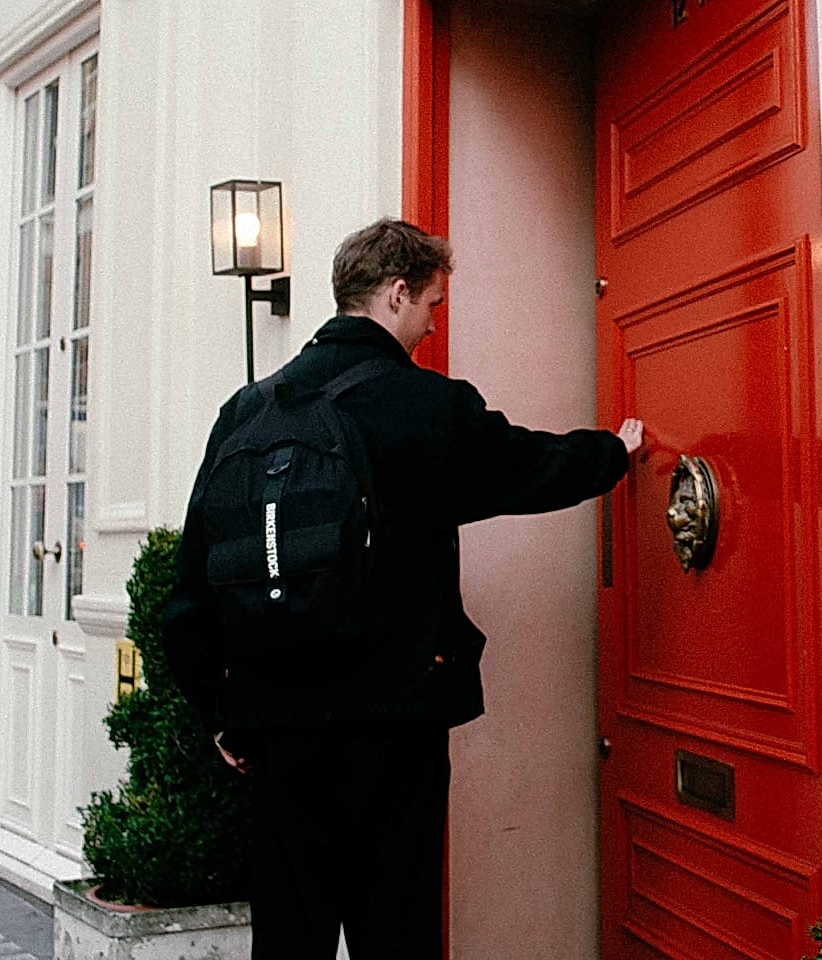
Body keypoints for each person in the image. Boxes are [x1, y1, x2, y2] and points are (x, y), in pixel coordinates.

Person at [161, 217, 643, 960]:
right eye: (430, 306)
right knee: (398, 929)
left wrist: (223, 713)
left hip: (275, 728)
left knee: (290, 937)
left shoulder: (246, 412)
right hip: (394, 726)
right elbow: (530, 468)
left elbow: (195, 578)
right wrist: (615, 450)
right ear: (395, 293)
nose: (428, 325)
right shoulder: (423, 405)